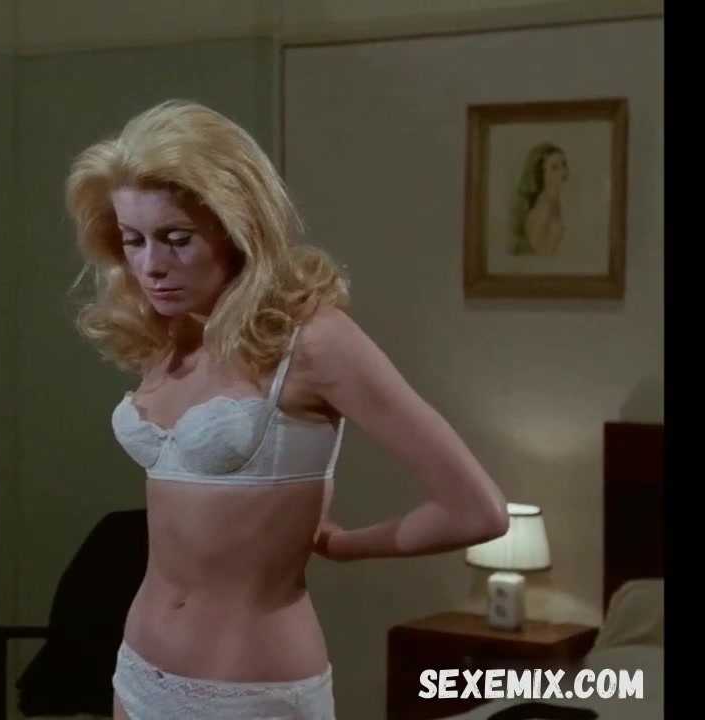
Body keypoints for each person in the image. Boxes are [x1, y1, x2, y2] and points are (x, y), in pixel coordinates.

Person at [63, 99, 511, 720]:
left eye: (176, 239)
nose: (150, 266)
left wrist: (346, 545)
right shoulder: (169, 333)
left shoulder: (313, 341)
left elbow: (477, 509)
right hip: (138, 673)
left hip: (252, 689)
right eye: (132, 241)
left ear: (237, 227)